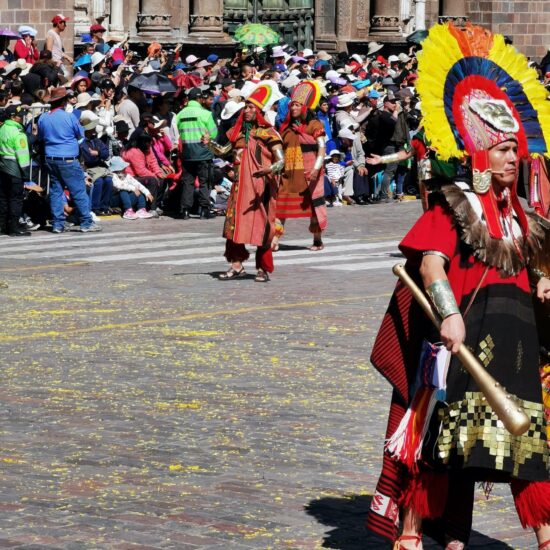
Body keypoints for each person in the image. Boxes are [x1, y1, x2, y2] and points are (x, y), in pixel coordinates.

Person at [366, 23, 550, 550]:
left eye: (517, 151)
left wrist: (542, 283)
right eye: (503, 150)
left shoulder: (522, 214)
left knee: (526, 444)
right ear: (479, 154)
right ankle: (412, 532)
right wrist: (448, 314)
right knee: (441, 443)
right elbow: (430, 265)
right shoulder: (455, 205)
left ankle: (544, 537)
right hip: (464, 339)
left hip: (515, 344)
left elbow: (533, 262)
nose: (514, 159)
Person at [204, 82, 284, 282]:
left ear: (259, 111)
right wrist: (210, 144)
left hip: (261, 188)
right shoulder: (238, 133)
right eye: (246, 107)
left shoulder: (269, 133)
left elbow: (281, 160)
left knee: (262, 227)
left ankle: (262, 269)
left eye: (251, 108)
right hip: (239, 187)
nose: (246, 110)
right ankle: (236, 265)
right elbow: (223, 151)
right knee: (234, 226)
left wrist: (269, 169)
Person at [37, 87, 101, 233]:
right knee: (78, 191)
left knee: (55, 191)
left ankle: (58, 224)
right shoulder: (70, 117)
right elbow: (80, 136)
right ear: (64, 101)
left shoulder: (43, 118)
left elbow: (40, 137)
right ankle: (86, 222)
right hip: (68, 159)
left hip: (50, 158)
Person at [275, 80, 326, 251]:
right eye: (292, 106)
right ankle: (275, 239)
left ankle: (317, 239)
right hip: (290, 171)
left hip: (311, 170)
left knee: (313, 206)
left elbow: (322, 147)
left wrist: (315, 169)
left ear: (304, 107)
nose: (293, 109)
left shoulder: (315, 125)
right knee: (281, 203)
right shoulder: (286, 128)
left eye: (297, 105)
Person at [174, 87, 218, 219]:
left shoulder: (180, 114)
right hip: (203, 153)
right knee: (205, 182)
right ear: (200, 99)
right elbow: (214, 133)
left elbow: (177, 132)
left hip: (187, 154)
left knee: (188, 182)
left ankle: (185, 210)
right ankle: (204, 210)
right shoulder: (205, 114)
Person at [0, 105, 32, 236]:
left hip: (2, 168)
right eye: (20, 116)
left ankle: (2, 227)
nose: (22, 118)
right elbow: (23, 156)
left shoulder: (2, 129)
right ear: (13, 117)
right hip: (14, 170)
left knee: (2, 198)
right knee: (15, 199)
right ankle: (14, 228)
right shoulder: (18, 133)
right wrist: (25, 175)